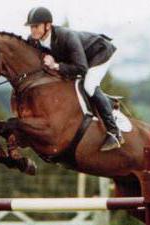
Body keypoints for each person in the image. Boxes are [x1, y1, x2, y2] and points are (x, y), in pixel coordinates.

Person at [25, 6, 124, 151]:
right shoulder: (33, 40)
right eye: (31, 27)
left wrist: (56, 65)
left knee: (88, 86)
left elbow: (81, 69)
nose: (32, 30)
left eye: (36, 26)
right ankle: (108, 102)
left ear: (48, 25)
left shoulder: (67, 36)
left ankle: (114, 133)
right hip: (79, 60)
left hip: (100, 53)